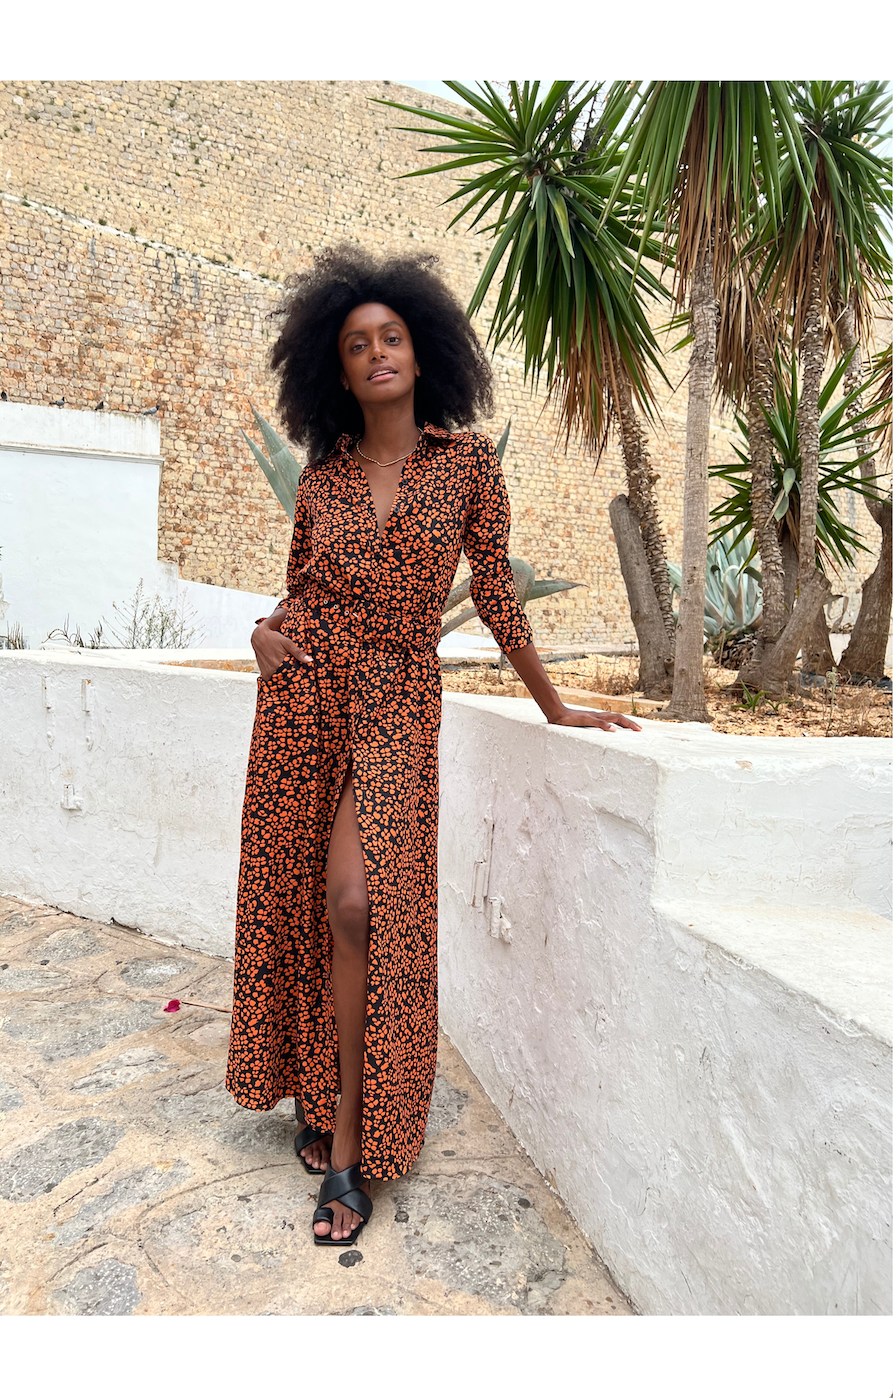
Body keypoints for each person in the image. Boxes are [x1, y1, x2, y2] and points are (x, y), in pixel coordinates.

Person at [229, 245, 639, 1248]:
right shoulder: (320, 479)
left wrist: (555, 709)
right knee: (295, 906)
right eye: (356, 344)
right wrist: (260, 636)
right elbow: (295, 587)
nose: (376, 354)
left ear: (423, 352)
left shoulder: (464, 467)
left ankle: (354, 1152)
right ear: (334, 368)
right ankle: (317, 1103)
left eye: (391, 338)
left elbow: (495, 596)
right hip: (300, 696)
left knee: (357, 904)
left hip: (397, 699)